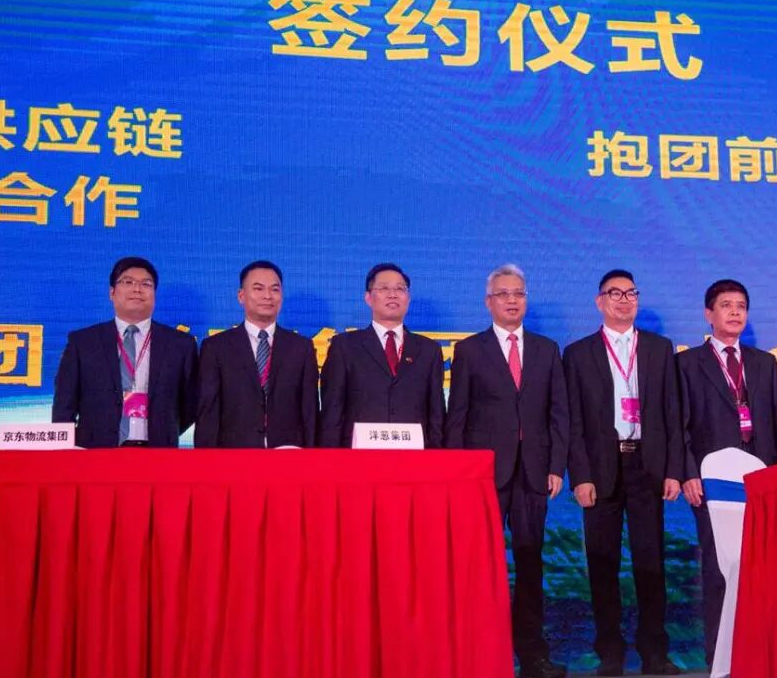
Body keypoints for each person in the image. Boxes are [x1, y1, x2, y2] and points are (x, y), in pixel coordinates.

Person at [445, 265, 569, 678]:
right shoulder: (470, 350)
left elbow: (559, 413)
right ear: (488, 302)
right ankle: (480, 652)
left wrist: (556, 465)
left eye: (518, 293)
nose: (512, 300)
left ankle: (532, 654)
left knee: (531, 565)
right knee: (480, 566)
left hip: (534, 473)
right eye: (503, 294)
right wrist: (460, 473)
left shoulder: (547, 349)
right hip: (484, 476)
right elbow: (457, 416)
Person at [564, 269, 684, 677]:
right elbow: (573, 422)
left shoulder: (659, 349)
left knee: (651, 563)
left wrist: (672, 469)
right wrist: (580, 475)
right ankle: (610, 653)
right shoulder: (578, 354)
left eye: (631, 293)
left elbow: (672, 413)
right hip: (600, 468)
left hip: (646, 465)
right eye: (614, 293)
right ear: (599, 302)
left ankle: (655, 653)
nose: (624, 300)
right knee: (603, 564)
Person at [676, 278, 777, 667]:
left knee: (762, 569)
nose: (735, 312)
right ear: (708, 314)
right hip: (712, 482)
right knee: (718, 569)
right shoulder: (687, 363)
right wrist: (688, 473)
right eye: (726, 305)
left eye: (741, 306)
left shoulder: (764, 363)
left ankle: (759, 654)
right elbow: (679, 425)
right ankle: (720, 660)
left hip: (760, 482)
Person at [53, 256, 197, 447]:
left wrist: (164, 429)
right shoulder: (83, 342)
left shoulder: (180, 344)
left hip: (158, 451)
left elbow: (191, 404)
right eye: (128, 282)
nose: (137, 289)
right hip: (95, 452)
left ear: (154, 294)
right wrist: (64, 450)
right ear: (112, 292)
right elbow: (64, 404)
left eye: (146, 284)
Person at [318, 262, 445, 448]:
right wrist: (331, 457)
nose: (393, 294)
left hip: (415, 457)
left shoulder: (428, 350)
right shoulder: (345, 346)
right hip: (358, 456)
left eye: (400, 289)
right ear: (368, 298)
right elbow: (332, 411)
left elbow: (436, 414)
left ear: (408, 298)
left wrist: (438, 457)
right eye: (384, 288)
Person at [195, 260, 318, 447]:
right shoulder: (216, 347)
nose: (267, 296)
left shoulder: (301, 347)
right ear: (241, 296)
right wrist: (206, 458)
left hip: (288, 452)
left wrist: (312, 455)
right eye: (258, 288)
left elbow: (309, 410)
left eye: (275, 289)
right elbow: (208, 410)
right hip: (234, 453)